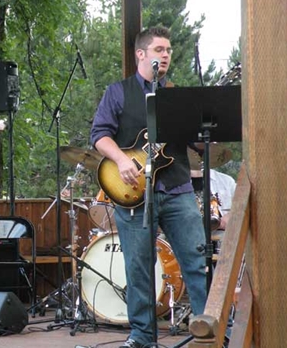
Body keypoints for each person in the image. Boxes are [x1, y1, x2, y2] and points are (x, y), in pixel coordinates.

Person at [90, 26, 207, 348]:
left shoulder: (178, 95)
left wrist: (206, 124)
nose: (166, 54)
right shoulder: (118, 92)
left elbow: (199, 144)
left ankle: (209, 330)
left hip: (177, 189)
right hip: (133, 192)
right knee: (138, 267)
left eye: (168, 50)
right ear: (141, 54)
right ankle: (142, 337)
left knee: (197, 261)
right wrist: (122, 161)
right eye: (159, 49)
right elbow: (99, 134)